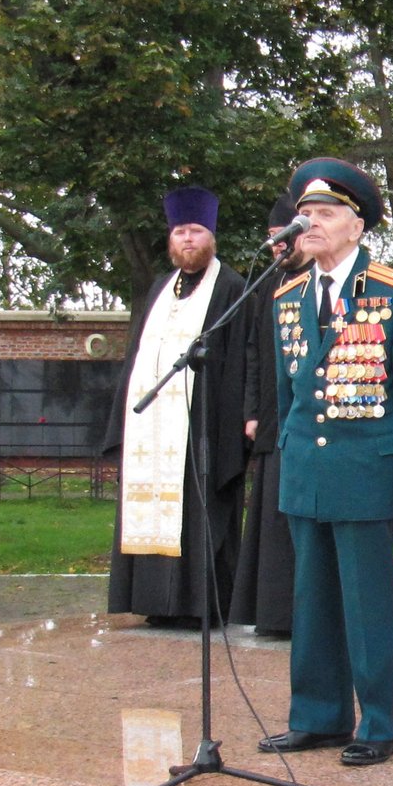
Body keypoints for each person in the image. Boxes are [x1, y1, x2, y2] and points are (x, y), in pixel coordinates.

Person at [256, 158, 393, 768]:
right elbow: (287, 396)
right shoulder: (286, 297)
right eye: (304, 213)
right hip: (308, 477)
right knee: (310, 603)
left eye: (325, 213)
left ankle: (380, 724)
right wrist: (287, 465)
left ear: (356, 226)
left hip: (369, 474)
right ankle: (318, 716)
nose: (309, 222)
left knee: (368, 606)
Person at [106, 186, 249, 628]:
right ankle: (155, 603)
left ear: (212, 237)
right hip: (153, 428)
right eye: (181, 231)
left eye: (197, 231)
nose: (188, 239)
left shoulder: (232, 288)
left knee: (199, 515)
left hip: (202, 425)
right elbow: (136, 359)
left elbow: (241, 362)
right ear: (171, 239)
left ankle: (199, 606)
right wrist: (123, 424)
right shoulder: (159, 288)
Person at [232, 194, 305, 637]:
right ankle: (273, 611)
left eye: (285, 237)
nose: (279, 245)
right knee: (270, 514)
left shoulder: (316, 278)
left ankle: (303, 612)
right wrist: (251, 411)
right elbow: (254, 353)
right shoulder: (264, 284)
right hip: (272, 416)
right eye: (273, 239)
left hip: (309, 412)